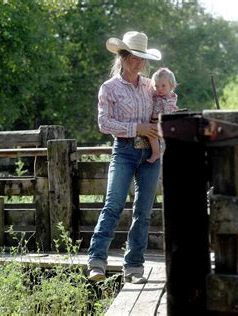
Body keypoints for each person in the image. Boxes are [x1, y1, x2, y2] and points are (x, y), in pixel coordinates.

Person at [87, 31, 163, 284]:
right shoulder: (109, 88)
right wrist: (136, 129)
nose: (139, 63)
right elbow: (103, 123)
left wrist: (167, 101)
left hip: (150, 153)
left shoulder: (150, 85)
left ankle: (134, 267)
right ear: (122, 56)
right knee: (113, 204)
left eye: (143, 58)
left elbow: (165, 108)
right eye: (134, 57)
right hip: (124, 150)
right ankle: (97, 261)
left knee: (143, 211)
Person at [146, 67, 178, 163]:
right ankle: (156, 153)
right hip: (154, 121)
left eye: (163, 86)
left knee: (163, 137)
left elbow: (168, 111)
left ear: (171, 86)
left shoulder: (171, 98)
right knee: (152, 135)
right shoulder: (156, 96)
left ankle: (160, 153)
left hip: (164, 122)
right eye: (156, 86)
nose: (159, 89)